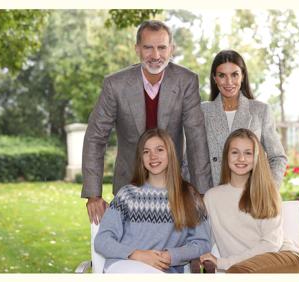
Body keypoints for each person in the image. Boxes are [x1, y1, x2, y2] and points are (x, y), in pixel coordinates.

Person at [81, 20, 212, 224]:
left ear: (171, 49)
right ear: (137, 49)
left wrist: (202, 192)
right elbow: (95, 137)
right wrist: (93, 194)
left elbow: (196, 137)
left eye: (161, 48)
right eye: (148, 48)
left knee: (176, 248)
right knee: (130, 248)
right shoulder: (115, 85)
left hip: (174, 184)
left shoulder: (186, 81)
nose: (155, 55)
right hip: (129, 184)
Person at [94, 128, 211, 273]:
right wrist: (137, 254)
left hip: (164, 270)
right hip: (124, 266)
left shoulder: (189, 196)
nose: (152, 156)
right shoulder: (127, 195)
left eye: (159, 150)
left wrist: (171, 256)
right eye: (146, 152)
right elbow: (102, 241)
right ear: (141, 159)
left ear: (170, 154)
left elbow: (202, 243)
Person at [200, 128, 299, 273]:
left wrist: (224, 262)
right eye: (235, 152)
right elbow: (204, 239)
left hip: (283, 257)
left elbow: (271, 244)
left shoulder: (267, 192)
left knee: (237, 273)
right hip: (241, 268)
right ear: (226, 156)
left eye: (248, 153)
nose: (241, 159)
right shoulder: (212, 197)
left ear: (256, 157)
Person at [201, 50, 287, 187]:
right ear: (214, 78)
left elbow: (277, 157)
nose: (229, 82)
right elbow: (190, 160)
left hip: (251, 196)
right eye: (222, 75)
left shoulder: (261, 111)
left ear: (243, 76)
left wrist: (267, 191)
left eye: (234, 75)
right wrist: (201, 195)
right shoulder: (202, 111)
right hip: (212, 197)